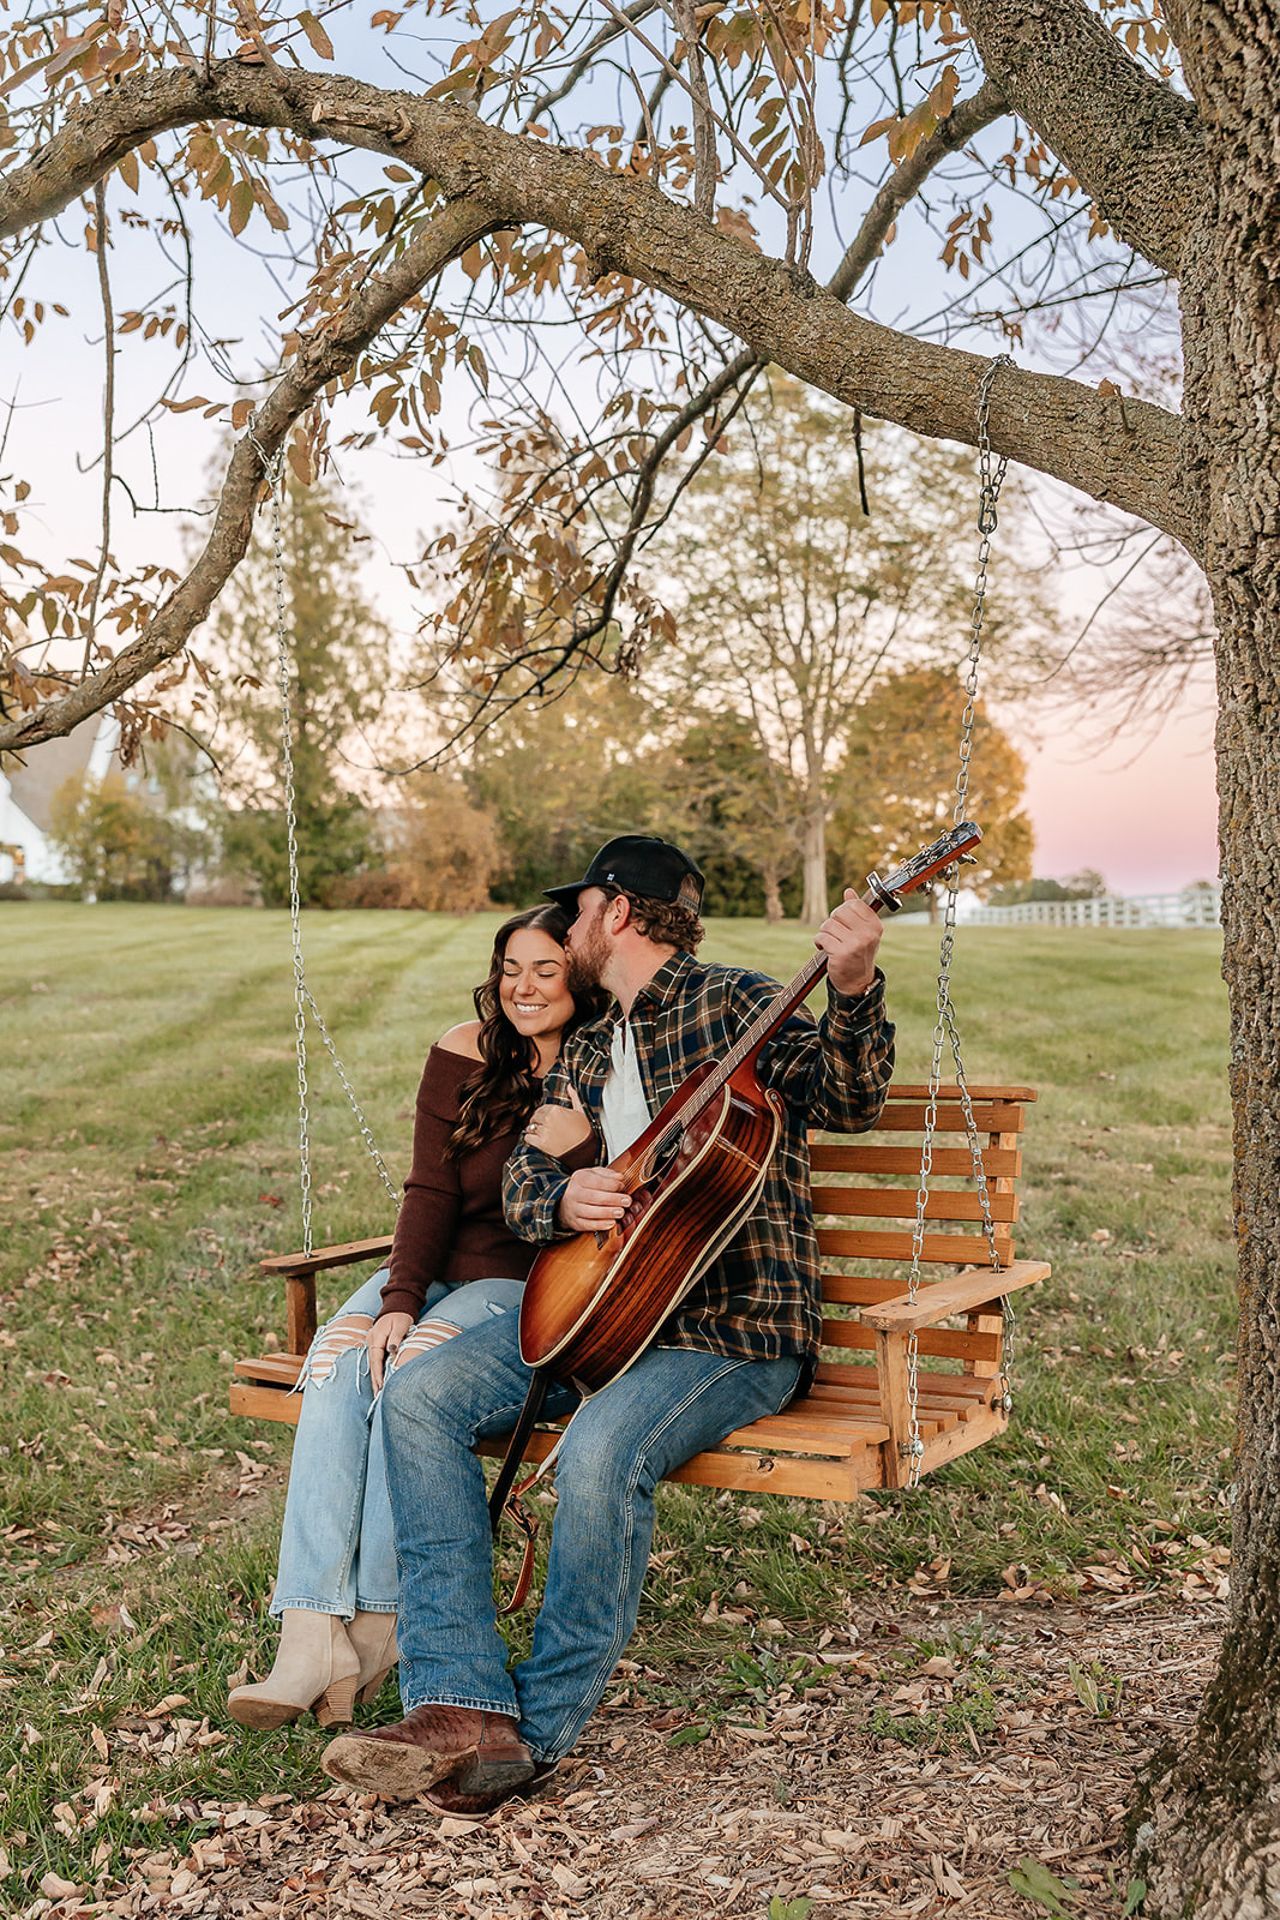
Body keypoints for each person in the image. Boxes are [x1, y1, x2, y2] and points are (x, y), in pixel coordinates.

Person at [320, 834, 895, 1811]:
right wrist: (566, 1197)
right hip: (594, 1316)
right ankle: (459, 1699)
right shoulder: (588, 1046)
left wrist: (851, 985)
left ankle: (528, 1734)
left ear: (617, 914)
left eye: (578, 909)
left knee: (594, 1454)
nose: (568, 926)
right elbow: (525, 1187)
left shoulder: (736, 1005)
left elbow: (848, 1097)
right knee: (418, 1397)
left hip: (730, 1335)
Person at [227, 905, 603, 1730]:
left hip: (531, 1285)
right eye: (511, 967)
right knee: (337, 1356)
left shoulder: (608, 1064)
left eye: (545, 969)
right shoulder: (464, 1050)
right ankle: (311, 1634)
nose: (523, 986)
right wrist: (398, 1298)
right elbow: (430, 1191)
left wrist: (578, 1148)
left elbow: (624, 1201)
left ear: (579, 973)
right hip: (442, 1269)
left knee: (411, 1374)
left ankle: (384, 1621)